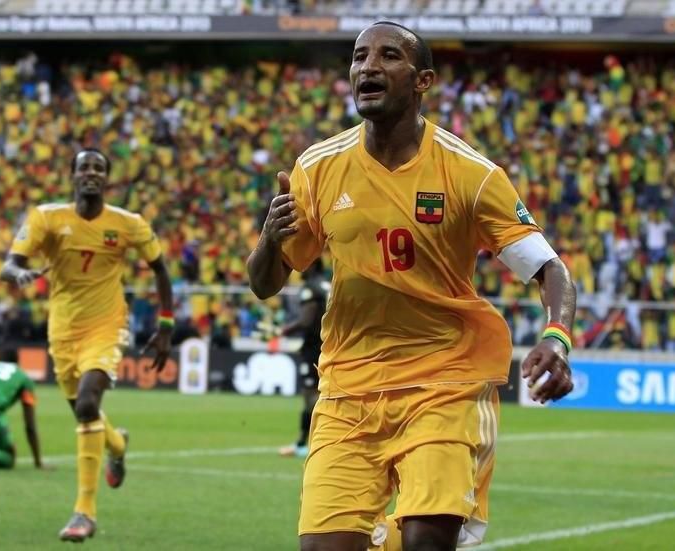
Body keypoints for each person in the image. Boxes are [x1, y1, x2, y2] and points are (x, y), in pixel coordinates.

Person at [247, 22, 576, 551]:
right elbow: (265, 283)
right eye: (359, 56)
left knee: (428, 539)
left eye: (388, 56)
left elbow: (551, 270)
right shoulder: (317, 168)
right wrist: (268, 239)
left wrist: (557, 338)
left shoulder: (471, 174)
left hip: (445, 382)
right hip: (348, 386)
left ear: (423, 80)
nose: (368, 66)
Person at [0, 148, 174, 543]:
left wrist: (165, 326)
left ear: (107, 178)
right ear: (73, 175)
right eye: (84, 167)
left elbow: (161, 269)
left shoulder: (128, 223)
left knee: (87, 404)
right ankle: (117, 444)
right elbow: (9, 263)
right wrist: (18, 273)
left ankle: (84, 512)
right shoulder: (46, 217)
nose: (91, 173)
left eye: (98, 168)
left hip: (106, 326)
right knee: (85, 412)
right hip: (62, 331)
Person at [278, 258, 329, 458]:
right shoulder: (328, 284)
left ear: (313, 265)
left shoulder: (311, 288)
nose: (299, 268)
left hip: (314, 347)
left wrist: (284, 330)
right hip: (330, 345)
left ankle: (308, 443)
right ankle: (308, 442)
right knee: (322, 392)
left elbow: (307, 321)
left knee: (311, 396)